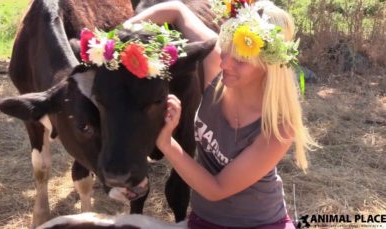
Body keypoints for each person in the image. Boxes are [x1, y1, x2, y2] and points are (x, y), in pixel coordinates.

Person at [125, 1, 318, 228]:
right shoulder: (216, 68)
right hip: (204, 219)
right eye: (225, 49)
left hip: (259, 223)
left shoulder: (278, 127)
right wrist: (114, 38)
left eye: (241, 60)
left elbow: (216, 189)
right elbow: (176, 11)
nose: (225, 62)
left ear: (268, 66)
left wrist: (167, 144)